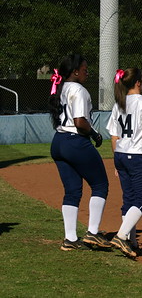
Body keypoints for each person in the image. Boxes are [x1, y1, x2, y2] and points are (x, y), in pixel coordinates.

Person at [48, 54, 111, 251]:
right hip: (75, 141)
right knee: (100, 184)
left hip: (58, 141)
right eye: (84, 69)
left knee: (73, 191)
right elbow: (80, 122)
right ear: (75, 71)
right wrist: (95, 134)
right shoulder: (79, 89)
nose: (87, 72)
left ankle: (70, 239)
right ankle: (92, 233)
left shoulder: (63, 87)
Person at [106, 68, 142, 258]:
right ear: (138, 82)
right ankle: (122, 236)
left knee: (129, 199)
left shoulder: (119, 103)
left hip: (120, 153)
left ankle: (131, 241)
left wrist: (116, 161)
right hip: (137, 155)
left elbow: (114, 137)